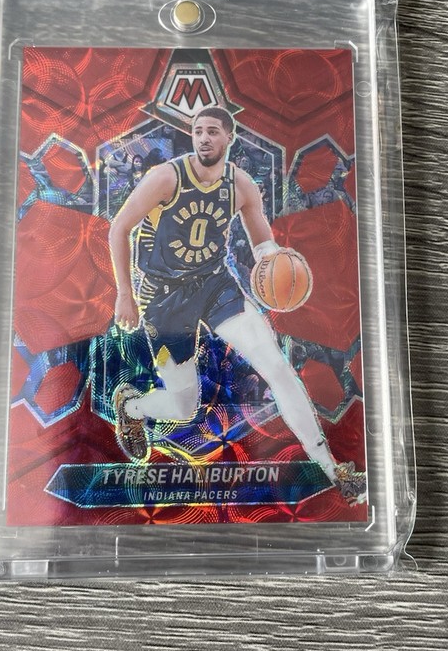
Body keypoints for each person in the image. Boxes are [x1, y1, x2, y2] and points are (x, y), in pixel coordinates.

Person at [108, 105, 360, 503]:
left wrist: (277, 263)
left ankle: (333, 468)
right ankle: (133, 408)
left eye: (212, 131)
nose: (203, 138)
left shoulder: (241, 184)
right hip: (164, 295)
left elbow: (263, 245)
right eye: (198, 131)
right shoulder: (166, 177)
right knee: (183, 405)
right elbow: (119, 227)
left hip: (215, 285)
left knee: (277, 366)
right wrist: (124, 292)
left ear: (229, 137)